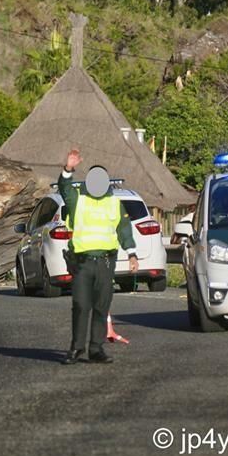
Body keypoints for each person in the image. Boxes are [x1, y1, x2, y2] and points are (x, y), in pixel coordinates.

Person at [59, 147, 138, 365]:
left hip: (105, 262)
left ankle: (96, 349)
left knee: (102, 305)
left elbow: (124, 230)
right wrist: (68, 169)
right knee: (81, 305)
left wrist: (132, 254)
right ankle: (76, 349)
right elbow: (65, 189)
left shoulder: (115, 203)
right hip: (83, 263)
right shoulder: (78, 201)